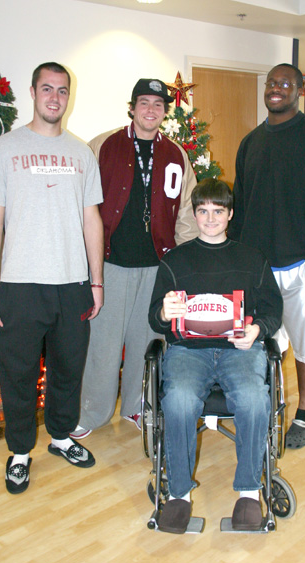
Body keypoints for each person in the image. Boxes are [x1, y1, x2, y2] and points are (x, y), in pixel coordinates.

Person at [0, 62, 104, 494]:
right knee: (17, 372)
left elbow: (92, 222)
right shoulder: (3, 150)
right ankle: (18, 452)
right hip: (19, 285)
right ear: (32, 92)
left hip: (72, 285)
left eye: (62, 91)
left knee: (69, 369)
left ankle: (61, 436)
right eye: (47, 89)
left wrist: (97, 281)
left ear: (69, 97)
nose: (55, 97)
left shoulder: (82, 153)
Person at [148, 178, 283, 534]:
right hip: (188, 352)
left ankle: (250, 493)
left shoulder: (252, 259)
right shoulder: (175, 261)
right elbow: (154, 318)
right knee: (177, 401)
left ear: (230, 214)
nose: (210, 219)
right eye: (203, 211)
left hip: (240, 350)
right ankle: (178, 495)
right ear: (194, 214)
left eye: (218, 211)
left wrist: (258, 331)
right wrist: (164, 311)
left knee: (254, 399)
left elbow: (272, 309)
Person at [228, 63, 305, 449]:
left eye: (285, 84)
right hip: (260, 269)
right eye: (271, 83)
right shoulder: (251, 143)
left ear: (300, 90)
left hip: (302, 267)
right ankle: (269, 405)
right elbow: (242, 207)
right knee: (267, 342)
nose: (276, 89)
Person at [72, 78, 198, 440]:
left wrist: (185, 265)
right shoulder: (103, 146)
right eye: (144, 103)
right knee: (103, 346)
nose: (150, 110)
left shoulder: (176, 155)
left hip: (156, 267)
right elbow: (83, 205)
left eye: (158, 105)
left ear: (164, 112)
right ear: (132, 107)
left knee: (147, 343)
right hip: (110, 265)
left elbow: (186, 213)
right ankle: (92, 413)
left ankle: (136, 407)